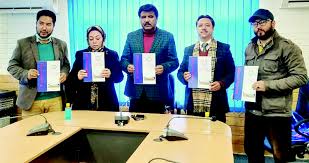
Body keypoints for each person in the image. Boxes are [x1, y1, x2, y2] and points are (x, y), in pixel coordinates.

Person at [244, 9, 308, 163]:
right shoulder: (249, 47)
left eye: (262, 22)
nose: (258, 26)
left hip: (276, 113)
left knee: (281, 155)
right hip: (253, 110)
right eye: (255, 23)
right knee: (252, 152)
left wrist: (268, 85)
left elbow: (301, 77)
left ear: (273, 23)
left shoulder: (287, 47)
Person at [7, 9, 70, 116]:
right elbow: (12, 66)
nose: (44, 27)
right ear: (36, 24)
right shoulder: (23, 43)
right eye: (41, 23)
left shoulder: (61, 44)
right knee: (31, 131)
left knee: (57, 131)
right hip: (31, 101)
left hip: (55, 100)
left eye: (48, 24)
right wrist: (26, 74)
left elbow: (66, 65)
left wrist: (64, 73)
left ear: (53, 26)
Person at [120, 4, 179, 114]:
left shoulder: (167, 36)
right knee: (135, 127)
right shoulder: (131, 36)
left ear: (156, 18)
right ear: (140, 19)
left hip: (158, 92)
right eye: (143, 17)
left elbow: (174, 62)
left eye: (151, 17)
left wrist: (163, 67)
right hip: (136, 91)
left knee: (156, 128)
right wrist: (128, 66)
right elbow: (123, 59)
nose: (147, 20)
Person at [177, 15, 235, 122]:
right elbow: (180, 72)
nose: (203, 28)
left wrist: (221, 84)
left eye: (207, 25)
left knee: (216, 135)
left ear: (212, 28)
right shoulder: (188, 49)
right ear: (197, 29)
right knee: (194, 134)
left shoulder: (224, 48)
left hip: (216, 101)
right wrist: (184, 77)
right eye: (200, 25)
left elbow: (232, 72)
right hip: (193, 102)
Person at [66, 26, 123, 111]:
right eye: (91, 39)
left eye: (97, 38)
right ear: (87, 40)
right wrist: (77, 76)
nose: (94, 41)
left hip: (106, 99)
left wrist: (111, 74)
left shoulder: (112, 54)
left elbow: (120, 77)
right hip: (84, 100)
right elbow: (70, 80)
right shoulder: (81, 54)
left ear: (103, 38)